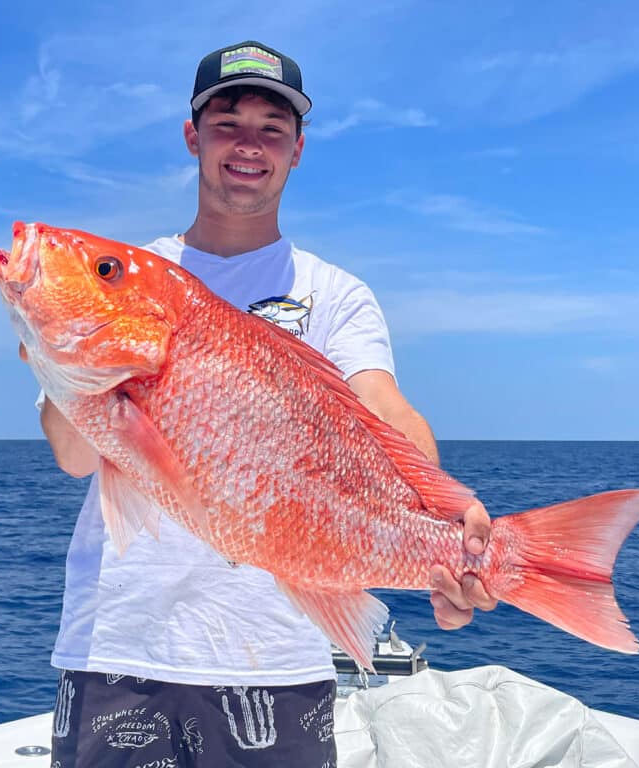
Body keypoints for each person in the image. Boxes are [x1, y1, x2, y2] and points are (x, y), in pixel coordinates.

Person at [29, 40, 497, 767]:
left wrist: (450, 531)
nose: (250, 146)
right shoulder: (136, 278)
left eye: (272, 130)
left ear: (298, 150)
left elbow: (383, 409)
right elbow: (72, 454)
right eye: (228, 123)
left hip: (275, 664)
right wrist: (71, 360)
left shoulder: (336, 294)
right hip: (118, 651)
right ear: (192, 136)